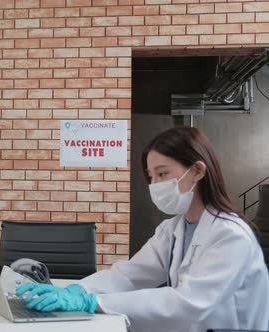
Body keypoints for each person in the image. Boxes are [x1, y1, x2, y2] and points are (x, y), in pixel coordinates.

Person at [16, 127, 269, 332]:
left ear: (198, 171)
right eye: (151, 177)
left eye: (162, 173)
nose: (155, 184)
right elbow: (129, 275)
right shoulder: (173, 229)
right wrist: (77, 290)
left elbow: (188, 302)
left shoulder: (230, 235)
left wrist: (94, 302)